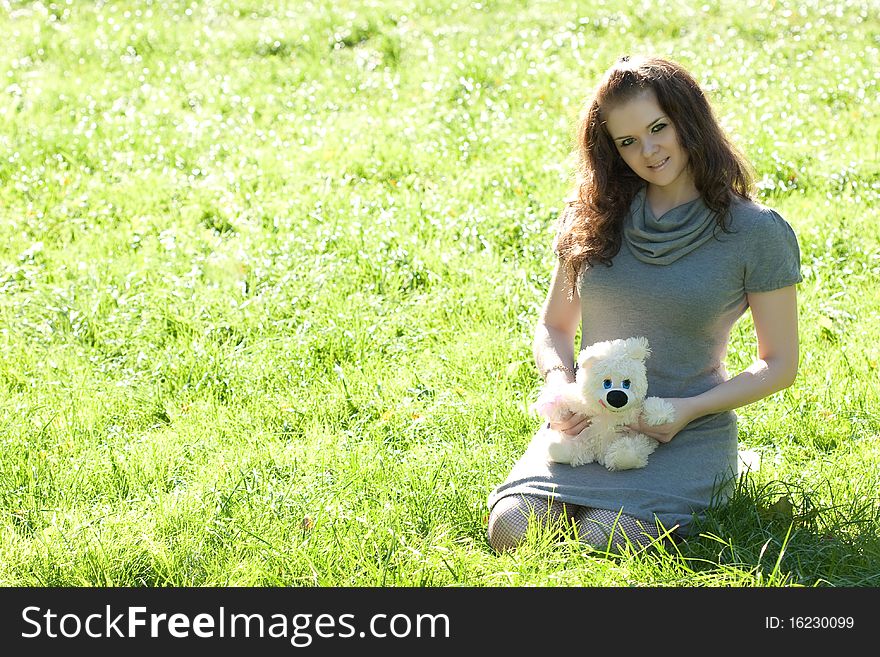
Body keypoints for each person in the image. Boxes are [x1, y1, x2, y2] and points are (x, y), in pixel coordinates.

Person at [486, 55, 802, 553]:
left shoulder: (756, 233)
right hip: (587, 426)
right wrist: (562, 391)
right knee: (511, 529)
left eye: (659, 128)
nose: (648, 151)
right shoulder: (591, 215)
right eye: (627, 141)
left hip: (682, 430)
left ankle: (713, 476)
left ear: (689, 120)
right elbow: (554, 327)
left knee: (604, 538)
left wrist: (684, 410)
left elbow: (779, 363)